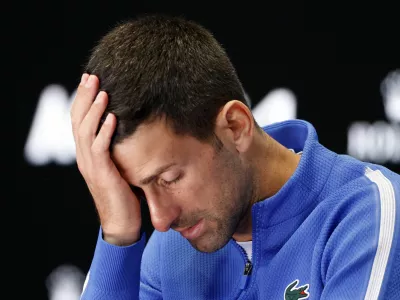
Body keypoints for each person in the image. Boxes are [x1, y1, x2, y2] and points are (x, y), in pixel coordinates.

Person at [70, 14, 400, 300]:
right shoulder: (166, 249)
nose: (159, 219)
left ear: (236, 126)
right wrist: (117, 234)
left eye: (169, 179)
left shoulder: (367, 212)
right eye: (140, 190)